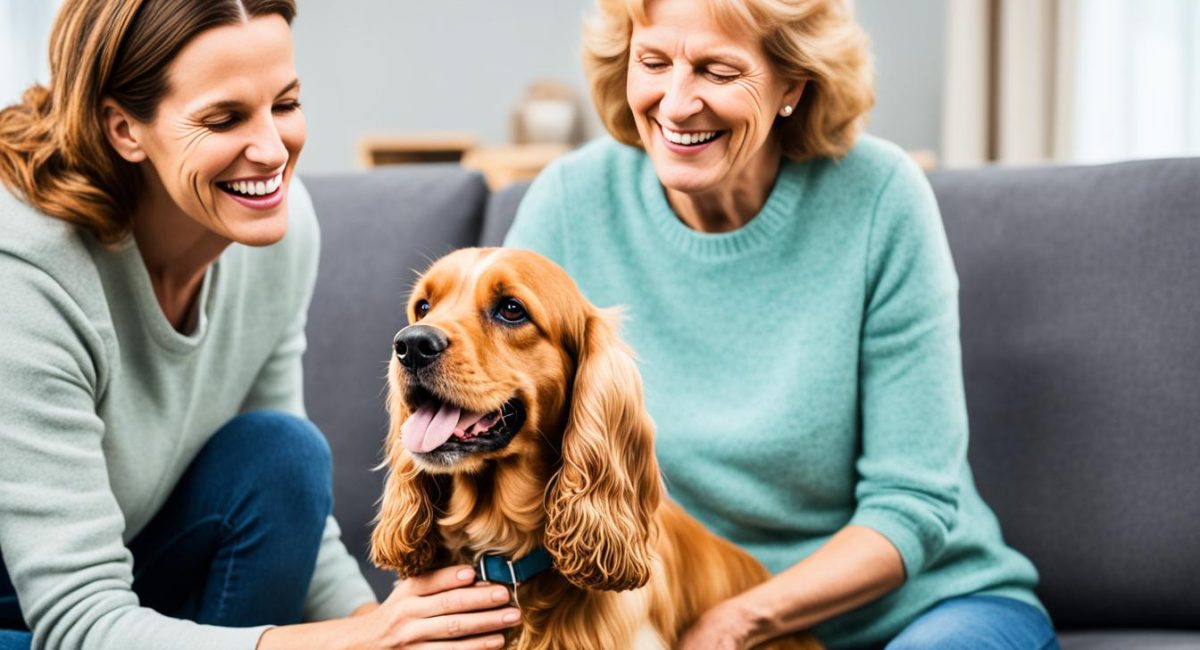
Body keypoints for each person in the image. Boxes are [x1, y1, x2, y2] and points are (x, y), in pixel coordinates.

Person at [503, 0, 1058, 648]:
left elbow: (914, 503)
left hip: (920, 612)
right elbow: (496, 436)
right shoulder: (571, 203)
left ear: (791, 84)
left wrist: (737, 622)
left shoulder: (882, 198)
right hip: (685, 612)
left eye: (716, 71)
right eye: (653, 62)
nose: (677, 104)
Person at [0, 1, 520, 649]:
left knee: (286, 452)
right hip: (32, 607)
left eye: (286, 104)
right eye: (224, 118)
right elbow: (77, 617)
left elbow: (289, 496)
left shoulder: (281, 228)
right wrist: (355, 644)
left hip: (133, 578)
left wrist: (383, 629)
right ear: (124, 128)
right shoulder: (23, 262)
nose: (273, 151)